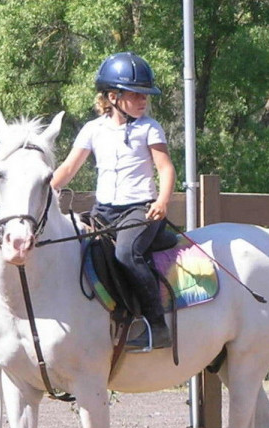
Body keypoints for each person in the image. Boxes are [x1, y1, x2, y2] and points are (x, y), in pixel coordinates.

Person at [51, 52, 176, 350]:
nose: (143, 101)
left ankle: (156, 327)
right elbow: (69, 168)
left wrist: (162, 201)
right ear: (113, 96)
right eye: (136, 95)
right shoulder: (93, 130)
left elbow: (166, 168)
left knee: (126, 254)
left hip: (140, 210)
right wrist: (45, 190)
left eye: (145, 95)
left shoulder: (149, 128)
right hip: (103, 212)